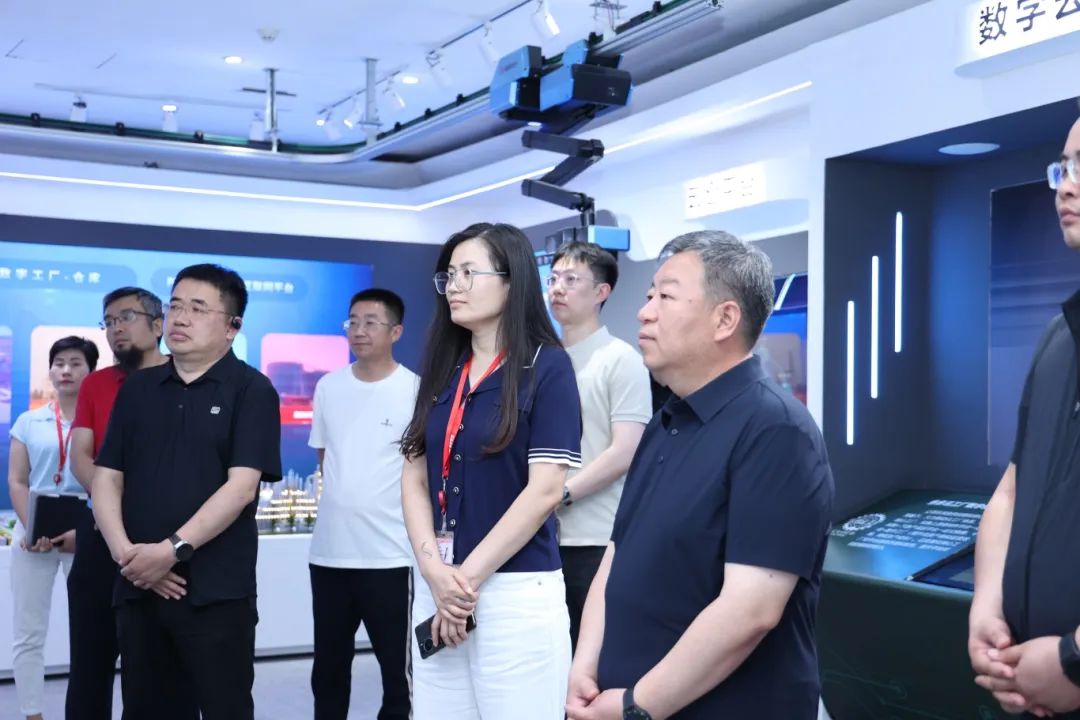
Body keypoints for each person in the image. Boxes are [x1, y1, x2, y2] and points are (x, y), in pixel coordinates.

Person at [566, 230, 834, 720]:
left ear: (725, 319)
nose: (644, 312)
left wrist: (635, 705)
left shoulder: (776, 430)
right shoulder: (665, 423)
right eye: (649, 295)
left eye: (665, 297)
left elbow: (750, 610)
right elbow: (617, 554)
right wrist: (585, 665)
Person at [399, 222, 582, 719]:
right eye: (448, 275)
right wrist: (434, 572)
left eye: (468, 273)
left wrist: (463, 582)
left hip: (512, 593)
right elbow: (414, 476)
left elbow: (545, 491)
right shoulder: (445, 367)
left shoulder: (548, 367)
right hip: (438, 587)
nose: (453, 286)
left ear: (511, 281)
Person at [91, 263, 282, 720]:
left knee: (224, 709)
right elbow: (107, 477)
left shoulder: (252, 390)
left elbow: (240, 488)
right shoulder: (138, 389)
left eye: (198, 308)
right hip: (139, 587)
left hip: (215, 593)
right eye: (175, 305)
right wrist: (128, 556)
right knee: (146, 709)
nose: (180, 317)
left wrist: (170, 551)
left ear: (232, 327)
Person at [969, 117, 1080, 718]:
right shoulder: (1058, 339)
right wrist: (986, 607)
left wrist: (1073, 660)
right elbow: (1012, 490)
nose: (1066, 186)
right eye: (1064, 167)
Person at [308, 288, 417, 720]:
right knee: (328, 669)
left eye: (371, 322)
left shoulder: (415, 390)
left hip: (391, 555)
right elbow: (325, 458)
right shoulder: (329, 386)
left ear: (396, 332)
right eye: (352, 322)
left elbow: (422, 474)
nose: (359, 330)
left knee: (398, 672)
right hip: (329, 555)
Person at [67, 286, 167, 720]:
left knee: (151, 670)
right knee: (90, 664)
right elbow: (80, 456)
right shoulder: (97, 384)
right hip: (100, 542)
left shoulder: (182, 380)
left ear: (158, 324)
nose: (115, 329)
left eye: (126, 317)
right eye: (108, 321)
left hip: (158, 545)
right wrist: (113, 517)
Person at [546, 242, 651, 652]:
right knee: (550, 657)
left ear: (601, 292)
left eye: (572, 280)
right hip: (541, 537)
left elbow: (625, 450)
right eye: (554, 279)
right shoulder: (542, 360)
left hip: (594, 537)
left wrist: (559, 494)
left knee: (592, 656)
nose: (558, 288)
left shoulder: (620, 359)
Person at [7, 336, 98, 720]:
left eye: (75, 363)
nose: (66, 370)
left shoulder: (102, 421)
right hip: (33, 533)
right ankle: (32, 714)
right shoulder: (29, 421)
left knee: (90, 633)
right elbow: (17, 480)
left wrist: (86, 533)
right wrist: (33, 531)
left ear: (91, 370)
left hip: (84, 533)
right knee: (28, 632)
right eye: (59, 362)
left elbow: (108, 483)